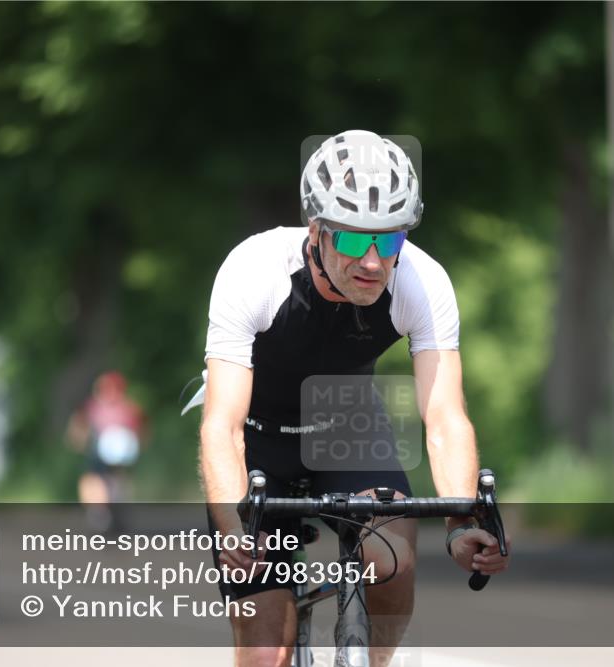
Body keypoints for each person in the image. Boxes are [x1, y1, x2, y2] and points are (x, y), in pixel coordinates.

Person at [193, 130, 510, 667]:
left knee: (391, 561)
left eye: (388, 241)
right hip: (258, 437)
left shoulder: (422, 282)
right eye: (353, 240)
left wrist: (462, 523)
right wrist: (234, 530)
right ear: (315, 232)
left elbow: (444, 418)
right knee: (266, 647)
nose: (371, 261)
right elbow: (221, 425)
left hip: (347, 428)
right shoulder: (253, 271)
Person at [67, 371, 146, 530]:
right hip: (96, 455)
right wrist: (79, 439)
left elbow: (140, 429)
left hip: (119, 458)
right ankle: (99, 513)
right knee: (92, 482)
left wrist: (134, 444)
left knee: (117, 484)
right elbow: (77, 427)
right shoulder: (92, 407)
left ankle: (115, 513)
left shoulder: (127, 408)